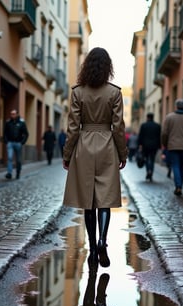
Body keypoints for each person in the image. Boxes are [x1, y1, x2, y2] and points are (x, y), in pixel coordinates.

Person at [62, 47, 128, 268]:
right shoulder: (114, 93)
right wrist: (123, 153)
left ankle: (91, 249)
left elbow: (72, 127)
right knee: (105, 199)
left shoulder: (78, 92)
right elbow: (118, 127)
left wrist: (67, 154)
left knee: (88, 201)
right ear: (107, 67)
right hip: (107, 146)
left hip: (84, 146)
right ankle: (102, 241)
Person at [161, 99, 183, 196]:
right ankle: (180, 185)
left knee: (175, 165)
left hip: (172, 146)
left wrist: (165, 144)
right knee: (181, 165)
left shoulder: (169, 117)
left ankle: (178, 186)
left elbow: (164, 133)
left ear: (176, 106)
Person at [3, 109, 29, 180]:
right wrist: (6, 141)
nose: (12, 115)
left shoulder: (21, 123)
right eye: (11, 114)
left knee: (18, 160)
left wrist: (22, 142)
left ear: (17, 114)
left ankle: (18, 172)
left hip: (18, 143)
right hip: (10, 143)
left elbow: (26, 134)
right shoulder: (8, 123)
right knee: (10, 158)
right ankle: (9, 173)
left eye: (14, 114)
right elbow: (5, 133)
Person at [138, 112, 161, 181]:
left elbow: (140, 136)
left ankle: (148, 171)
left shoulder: (144, 125)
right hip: (154, 146)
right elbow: (159, 137)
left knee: (147, 159)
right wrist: (159, 146)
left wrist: (140, 145)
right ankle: (151, 172)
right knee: (152, 159)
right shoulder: (157, 126)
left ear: (147, 117)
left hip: (145, 146)